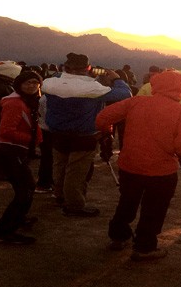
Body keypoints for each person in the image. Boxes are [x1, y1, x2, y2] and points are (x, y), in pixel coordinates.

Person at [95, 69, 181, 261]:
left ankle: (119, 236)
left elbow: (103, 118)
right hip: (161, 170)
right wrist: (175, 150)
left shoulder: (136, 102)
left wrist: (108, 131)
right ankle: (144, 247)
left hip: (130, 165)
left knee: (127, 201)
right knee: (154, 208)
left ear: (155, 85)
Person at [42, 53, 131, 217]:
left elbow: (60, 77)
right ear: (88, 68)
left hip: (57, 133)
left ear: (65, 67)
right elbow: (125, 94)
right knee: (76, 172)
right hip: (83, 135)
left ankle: (60, 196)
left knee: (60, 167)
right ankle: (75, 205)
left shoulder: (49, 83)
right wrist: (117, 79)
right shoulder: (92, 89)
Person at [0, 69, 45, 245]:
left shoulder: (26, 102)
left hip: (16, 151)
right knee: (24, 191)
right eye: (27, 83)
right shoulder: (15, 103)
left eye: (35, 83)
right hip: (11, 151)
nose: (32, 86)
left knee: (27, 187)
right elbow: (6, 131)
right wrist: (31, 141)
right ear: (18, 84)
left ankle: (18, 219)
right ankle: (3, 230)